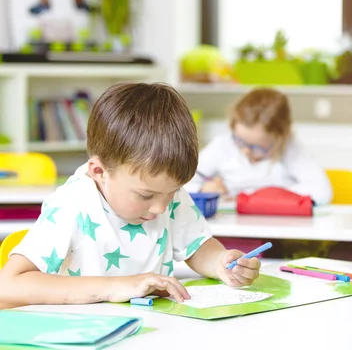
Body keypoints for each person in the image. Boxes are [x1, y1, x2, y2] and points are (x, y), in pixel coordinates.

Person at [0, 83, 260, 309]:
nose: (160, 207)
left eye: (172, 192)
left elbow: (197, 245)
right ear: (99, 171)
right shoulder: (73, 204)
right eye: (145, 195)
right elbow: (8, 287)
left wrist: (221, 263)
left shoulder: (164, 195)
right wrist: (115, 287)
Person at [185, 87, 332, 205]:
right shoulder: (224, 145)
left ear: (281, 137)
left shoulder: (290, 149)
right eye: (240, 141)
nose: (246, 151)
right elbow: (180, 181)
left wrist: (257, 197)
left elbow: (322, 192)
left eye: (258, 148)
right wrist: (203, 188)